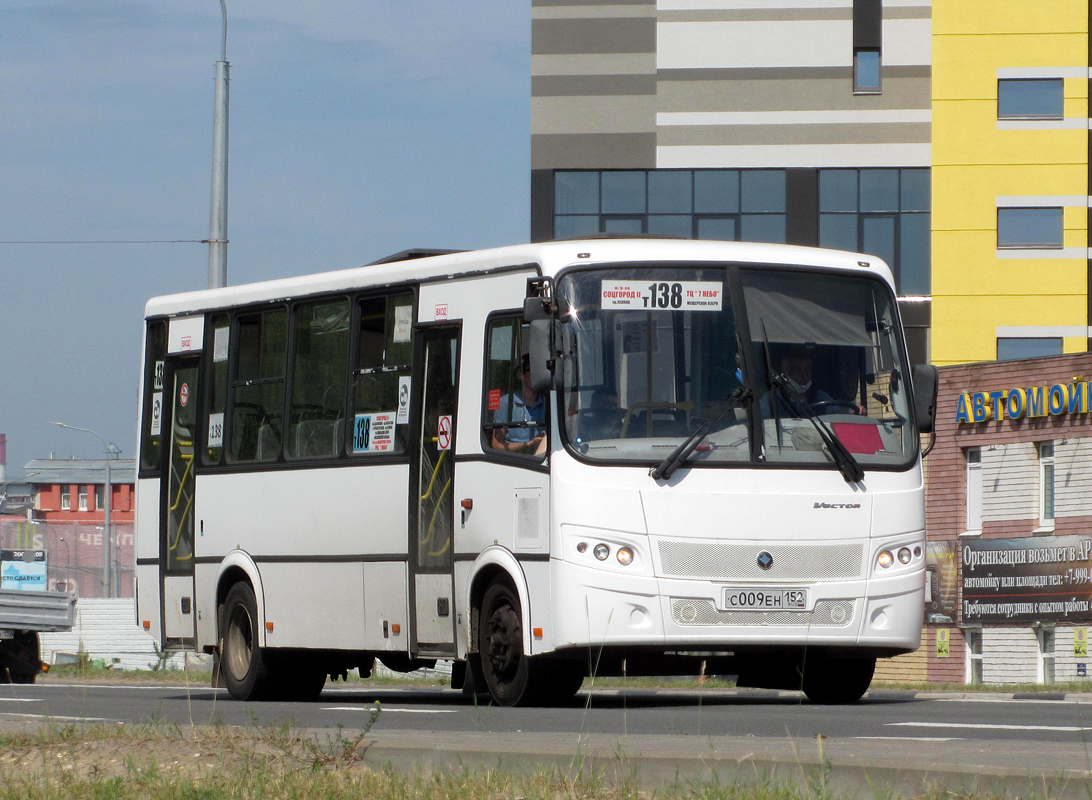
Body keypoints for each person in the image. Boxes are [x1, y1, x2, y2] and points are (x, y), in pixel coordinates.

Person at [492, 355, 547, 455]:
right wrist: (527, 444)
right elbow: (496, 445)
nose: (538, 375)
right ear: (520, 375)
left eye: (540, 370)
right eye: (533, 370)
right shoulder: (505, 403)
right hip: (516, 461)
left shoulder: (548, 403)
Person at [760, 345, 832, 418]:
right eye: (797, 370)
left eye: (807, 370)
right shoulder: (770, 400)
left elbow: (837, 418)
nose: (803, 375)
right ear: (784, 373)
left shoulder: (823, 398)